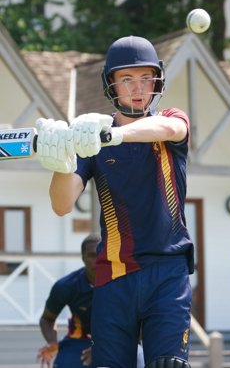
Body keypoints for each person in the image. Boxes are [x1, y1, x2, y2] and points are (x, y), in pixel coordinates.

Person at [35, 35, 194, 368]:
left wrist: (114, 134)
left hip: (167, 271)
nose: (138, 88)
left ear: (157, 81)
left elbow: (170, 128)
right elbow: (61, 205)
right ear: (112, 84)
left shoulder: (168, 118)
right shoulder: (89, 143)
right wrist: (62, 161)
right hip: (114, 276)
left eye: (145, 78)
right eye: (127, 79)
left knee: (169, 365)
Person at [36, 234, 100, 368]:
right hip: (79, 340)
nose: (98, 260)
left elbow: (136, 322)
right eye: (92, 255)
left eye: (101, 253)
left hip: (116, 340)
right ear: (83, 258)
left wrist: (102, 347)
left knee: (140, 361)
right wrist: (52, 343)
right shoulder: (67, 286)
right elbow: (47, 319)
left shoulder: (122, 283)